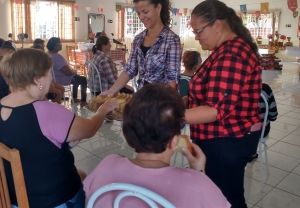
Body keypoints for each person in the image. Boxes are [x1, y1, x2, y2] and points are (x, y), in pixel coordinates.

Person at [0, 48, 118, 208]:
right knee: (96, 183)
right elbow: (90, 129)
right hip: (52, 201)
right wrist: (103, 110)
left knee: (81, 174)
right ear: (37, 79)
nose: (51, 79)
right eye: (49, 73)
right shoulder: (44, 110)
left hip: (14, 199)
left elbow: (31, 140)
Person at [84, 84, 230, 208]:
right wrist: (198, 172)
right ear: (174, 142)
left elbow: (87, 199)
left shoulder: (107, 165)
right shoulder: (197, 184)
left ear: (128, 136)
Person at [185, 0, 262, 208]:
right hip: (221, 137)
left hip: (227, 139)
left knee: (227, 198)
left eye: (199, 31)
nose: (196, 37)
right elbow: (212, 95)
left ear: (217, 25)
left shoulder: (232, 54)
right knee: (219, 195)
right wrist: (184, 101)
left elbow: (214, 110)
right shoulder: (224, 50)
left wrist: (167, 114)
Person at [102, 0, 181, 95]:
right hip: (141, 99)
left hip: (161, 103)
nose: (141, 17)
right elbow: (130, 69)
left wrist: (153, 104)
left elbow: (171, 82)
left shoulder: (171, 40)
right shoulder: (138, 39)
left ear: (158, 8)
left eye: (145, 12)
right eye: (138, 13)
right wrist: (111, 91)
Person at [46, 37, 88, 105]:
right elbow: (67, 72)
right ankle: (83, 101)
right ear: (54, 45)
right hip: (61, 79)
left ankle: (74, 98)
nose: (61, 45)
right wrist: (74, 71)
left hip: (52, 79)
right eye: (59, 43)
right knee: (83, 80)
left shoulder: (47, 54)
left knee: (76, 77)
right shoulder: (56, 57)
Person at [249, 83, 278, 162]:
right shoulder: (265, 88)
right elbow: (273, 116)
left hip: (235, 131)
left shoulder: (231, 89)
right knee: (254, 128)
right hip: (260, 131)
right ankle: (252, 153)